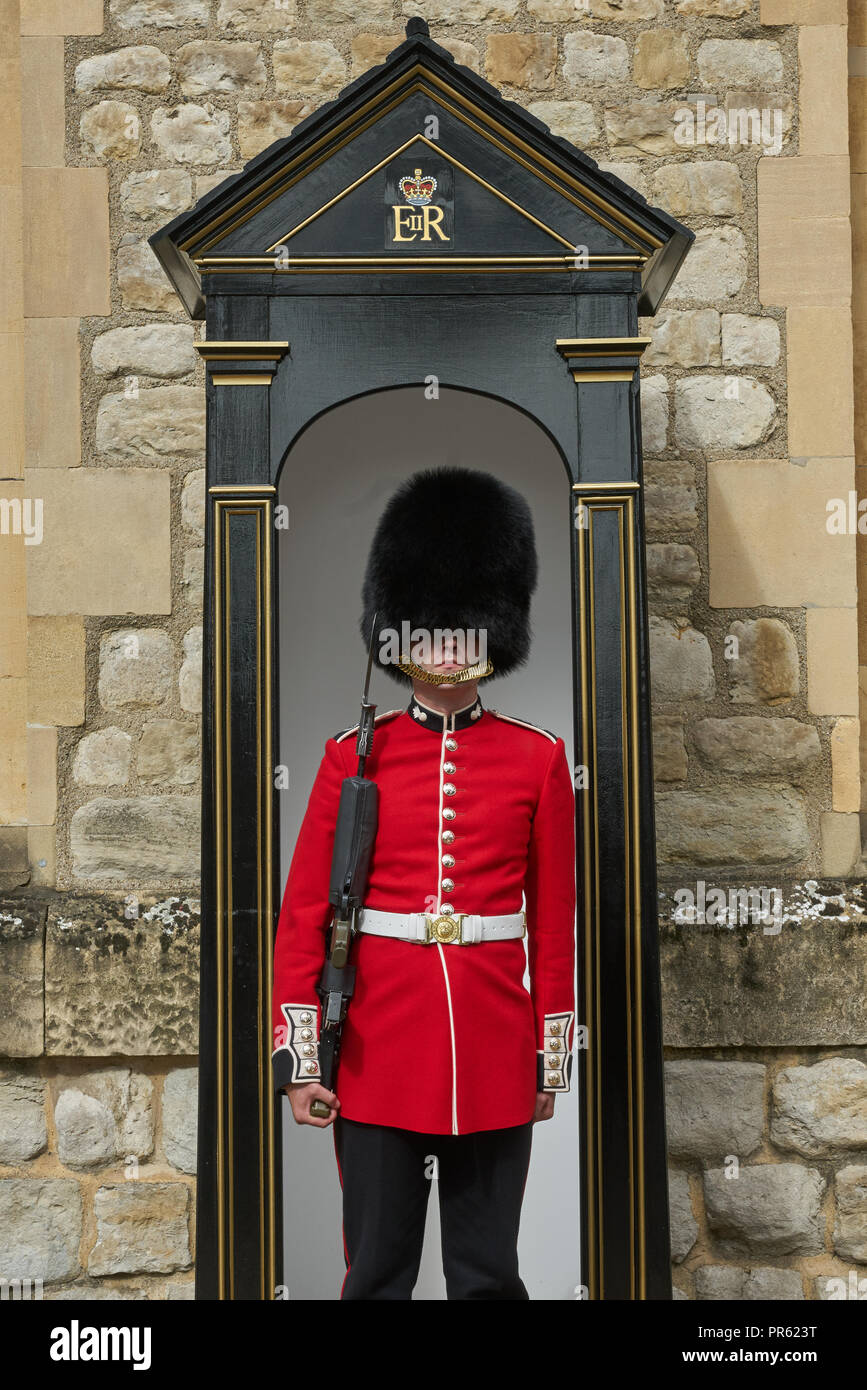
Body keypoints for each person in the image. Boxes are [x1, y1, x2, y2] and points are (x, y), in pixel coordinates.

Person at [271, 466, 576, 1300]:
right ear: (396, 636)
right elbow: (304, 915)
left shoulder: (537, 757)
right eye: (429, 628)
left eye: (465, 628)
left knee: (485, 1275)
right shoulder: (350, 755)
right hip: (375, 1053)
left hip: (492, 1050)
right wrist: (301, 1060)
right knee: (375, 1275)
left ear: (494, 632)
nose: (447, 647)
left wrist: (549, 1061)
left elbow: (554, 924)